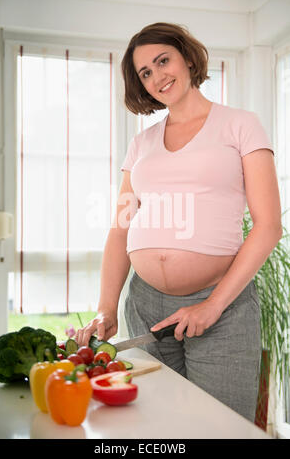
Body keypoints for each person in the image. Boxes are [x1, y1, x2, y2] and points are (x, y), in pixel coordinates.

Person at [75, 22, 282, 422]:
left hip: (221, 308)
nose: (157, 77)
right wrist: (106, 308)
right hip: (145, 305)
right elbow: (121, 227)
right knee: (156, 425)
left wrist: (211, 306)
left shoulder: (240, 124)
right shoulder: (142, 143)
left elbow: (268, 224)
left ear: (188, 58)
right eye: (145, 73)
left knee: (220, 428)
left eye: (162, 61)